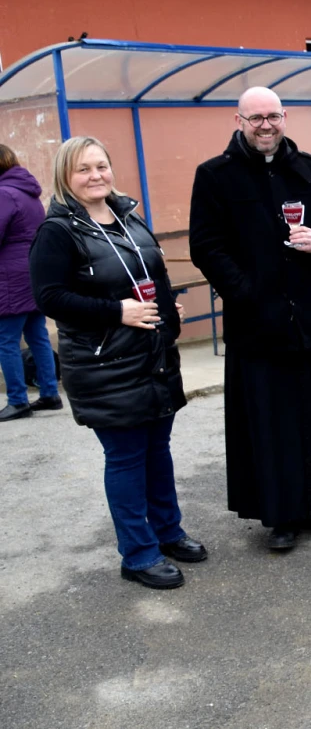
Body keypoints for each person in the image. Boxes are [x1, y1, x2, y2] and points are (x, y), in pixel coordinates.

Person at [30, 137, 204, 589]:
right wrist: (117, 311)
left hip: (153, 355)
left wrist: (168, 309)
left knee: (157, 451)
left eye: (101, 166)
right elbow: (48, 298)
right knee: (126, 458)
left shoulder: (127, 215)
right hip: (105, 362)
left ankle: (167, 533)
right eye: (83, 169)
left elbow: (153, 273)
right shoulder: (58, 230)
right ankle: (138, 554)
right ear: (65, 177)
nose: (95, 176)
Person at [189, 86, 311, 552]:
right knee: (268, 420)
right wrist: (244, 292)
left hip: (304, 315)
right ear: (238, 120)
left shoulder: (306, 168)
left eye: (274, 116)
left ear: (284, 118)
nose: (266, 125)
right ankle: (279, 514)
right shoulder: (215, 175)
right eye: (256, 117)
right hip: (254, 321)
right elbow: (204, 245)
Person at [0, 144, 61, 420]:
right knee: (37, 335)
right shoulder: (28, 192)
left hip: (10, 277)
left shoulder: (3, 194)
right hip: (32, 271)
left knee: (6, 340)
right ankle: (49, 393)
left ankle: (17, 401)